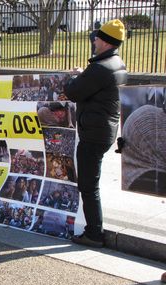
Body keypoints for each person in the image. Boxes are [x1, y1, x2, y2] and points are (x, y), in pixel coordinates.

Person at [63, 19, 127, 248]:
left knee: (88, 185)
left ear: (106, 42)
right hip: (104, 129)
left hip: (93, 133)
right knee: (91, 181)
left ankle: (94, 233)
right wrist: (85, 74)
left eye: (97, 38)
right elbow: (94, 84)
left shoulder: (100, 68)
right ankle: (94, 229)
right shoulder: (116, 63)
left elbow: (73, 91)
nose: (94, 40)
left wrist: (74, 77)